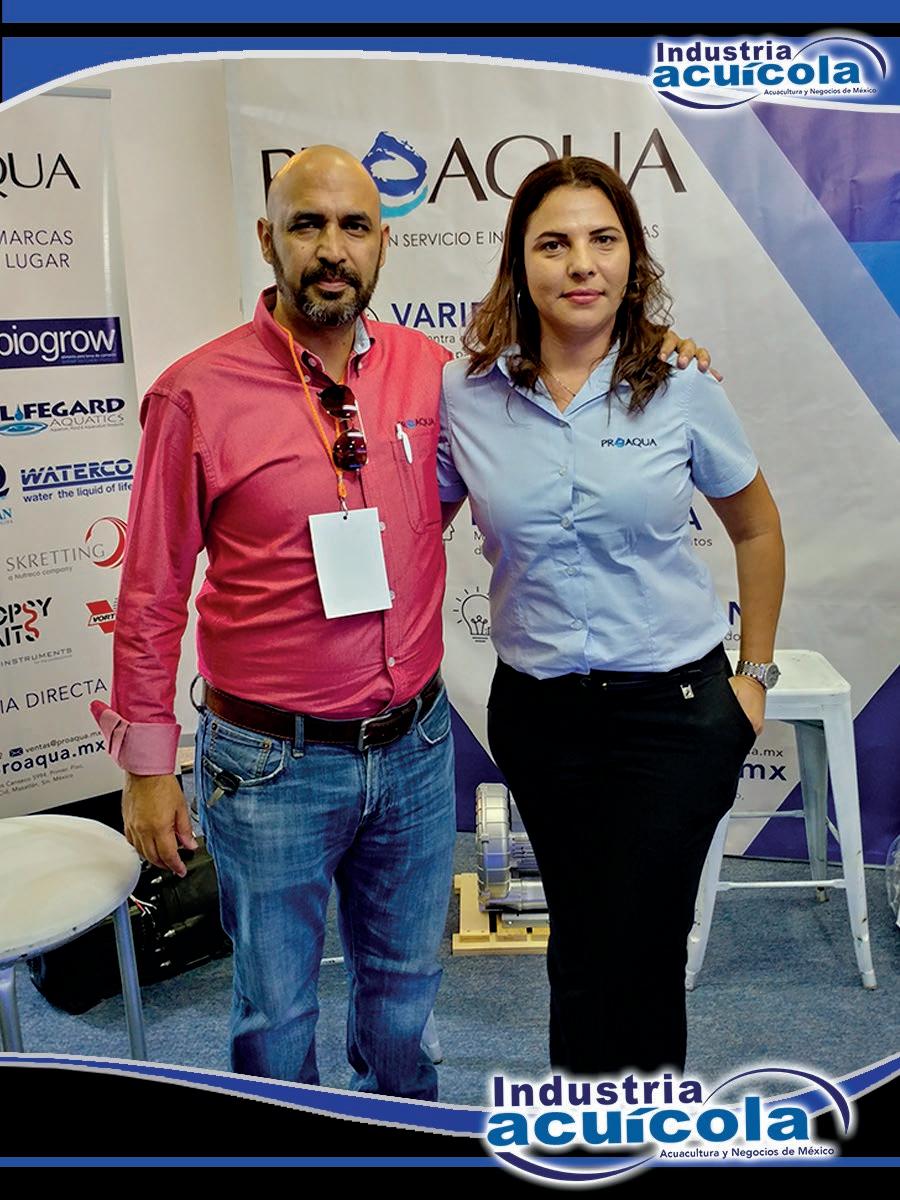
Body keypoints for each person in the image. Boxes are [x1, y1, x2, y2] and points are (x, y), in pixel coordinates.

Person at [91, 144, 714, 1095]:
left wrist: (655, 347)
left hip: (416, 750)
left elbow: (560, 368)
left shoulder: (435, 376)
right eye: (307, 225)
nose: (331, 249)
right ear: (267, 239)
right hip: (270, 763)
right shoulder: (195, 396)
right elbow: (149, 591)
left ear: (383, 245)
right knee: (274, 1010)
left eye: (355, 226)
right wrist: (144, 767)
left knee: (403, 994)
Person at [438, 156, 785, 1077]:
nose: (581, 263)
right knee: (582, 936)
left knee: (646, 942)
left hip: (675, 713)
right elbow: (413, 522)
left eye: (603, 240)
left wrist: (754, 678)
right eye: (553, 243)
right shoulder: (466, 394)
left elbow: (756, 527)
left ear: (633, 259)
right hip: (541, 712)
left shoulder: (681, 384)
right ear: (520, 262)